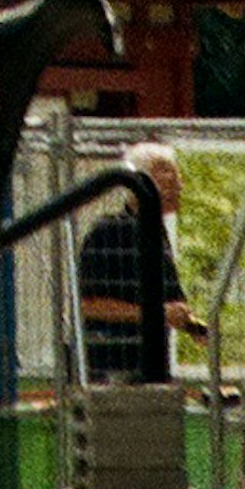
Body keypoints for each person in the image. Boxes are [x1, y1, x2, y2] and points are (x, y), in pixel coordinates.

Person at [76, 150, 185, 389]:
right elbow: (89, 305)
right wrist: (155, 313)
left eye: (176, 177)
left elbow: (171, 300)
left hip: (151, 367)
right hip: (114, 369)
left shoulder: (157, 234)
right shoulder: (108, 232)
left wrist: (188, 322)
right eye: (165, 173)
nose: (178, 185)